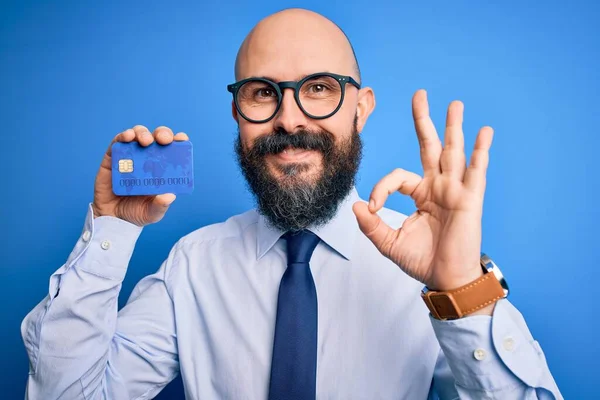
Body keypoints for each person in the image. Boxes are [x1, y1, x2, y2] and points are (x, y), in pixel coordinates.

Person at [21, 8, 562, 400]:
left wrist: (461, 288)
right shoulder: (193, 264)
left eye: (320, 88)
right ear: (237, 112)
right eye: (262, 92)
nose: (290, 118)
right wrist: (112, 232)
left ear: (361, 107)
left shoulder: (432, 273)